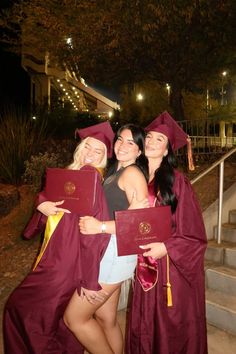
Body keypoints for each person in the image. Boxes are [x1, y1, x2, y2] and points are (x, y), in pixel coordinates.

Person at [3, 121, 114, 354]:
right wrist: (41, 203)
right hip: (58, 257)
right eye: (87, 147)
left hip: (63, 262)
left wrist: (90, 279)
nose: (91, 154)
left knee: (24, 311)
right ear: (79, 147)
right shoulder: (71, 173)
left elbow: (92, 235)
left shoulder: (89, 177)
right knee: (57, 321)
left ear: (104, 158)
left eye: (98, 151)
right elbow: (46, 196)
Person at [126, 111, 208, 354]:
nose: (151, 141)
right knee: (142, 324)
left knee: (169, 327)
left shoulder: (178, 183)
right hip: (140, 264)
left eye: (159, 140)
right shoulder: (133, 176)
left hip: (170, 269)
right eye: (149, 137)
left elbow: (195, 235)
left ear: (167, 150)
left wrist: (167, 248)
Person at [63, 124, 149, 354]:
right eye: (120, 139)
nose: (123, 144)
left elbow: (141, 227)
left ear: (140, 151)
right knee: (106, 318)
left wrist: (99, 226)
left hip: (114, 255)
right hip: (112, 252)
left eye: (131, 142)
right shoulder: (114, 173)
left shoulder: (132, 173)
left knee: (75, 319)